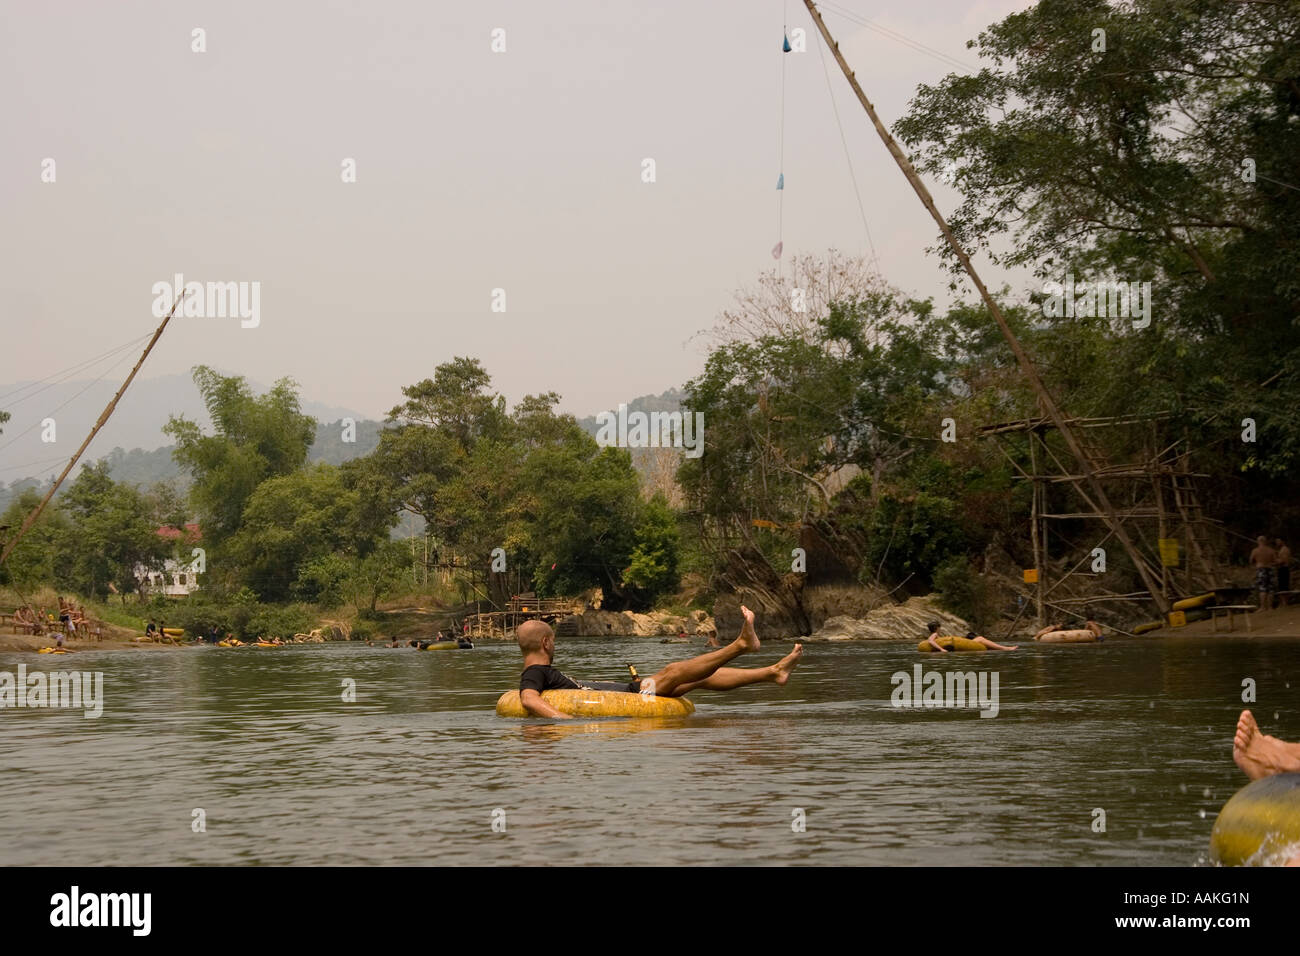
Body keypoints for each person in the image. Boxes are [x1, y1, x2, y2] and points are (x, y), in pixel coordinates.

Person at [515, 605, 802, 719]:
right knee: (674, 670)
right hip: (636, 695)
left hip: (630, 689)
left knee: (698, 677)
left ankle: (772, 673)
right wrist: (564, 721)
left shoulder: (541, 670)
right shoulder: (534, 673)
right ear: (546, 643)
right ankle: (741, 645)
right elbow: (528, 699)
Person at [925, 620, 1018, 652]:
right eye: (939, 627)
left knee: (974, 637)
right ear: (937, 628)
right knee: (980, 638)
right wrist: (941, 649)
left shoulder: (935, 634)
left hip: (958, 644)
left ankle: (1002, 648)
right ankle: (1005, 648)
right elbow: (930, 641)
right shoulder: (935, 634)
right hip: (956, 646)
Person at [1250, 535, 1277, 611]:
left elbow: (1251, 560)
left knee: (1262, 588)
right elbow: (1275, 561)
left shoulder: (1255, 551)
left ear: (1258, 541)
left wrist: (1256, 565)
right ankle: (1270, 607)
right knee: (1270, 589)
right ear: (1266, 541)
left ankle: (1263, 607)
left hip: (1261, 569)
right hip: (1270, 569)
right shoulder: (1271, 550)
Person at [1032, 617, 1103, 642]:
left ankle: (1100, 637)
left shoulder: (1060, 627)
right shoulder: (1052, 627)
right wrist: (1037, 637)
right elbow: (1041, 633)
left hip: (1079, 634)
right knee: (1090, 623)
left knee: (1090, 623)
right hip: (1043, 636)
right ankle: (1099, 637)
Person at [1275, 538, 1292, 607]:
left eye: (1278, 541)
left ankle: (1285, 603)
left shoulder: (1285, 549)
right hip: (1281, 569)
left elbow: (1283, 561)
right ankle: (1283, 603)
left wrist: (1275, 561)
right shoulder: (1281, 550)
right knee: (1281, 586)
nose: (1277, 543)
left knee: (1283, 586)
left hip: (1283, 569)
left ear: (1282, 541)